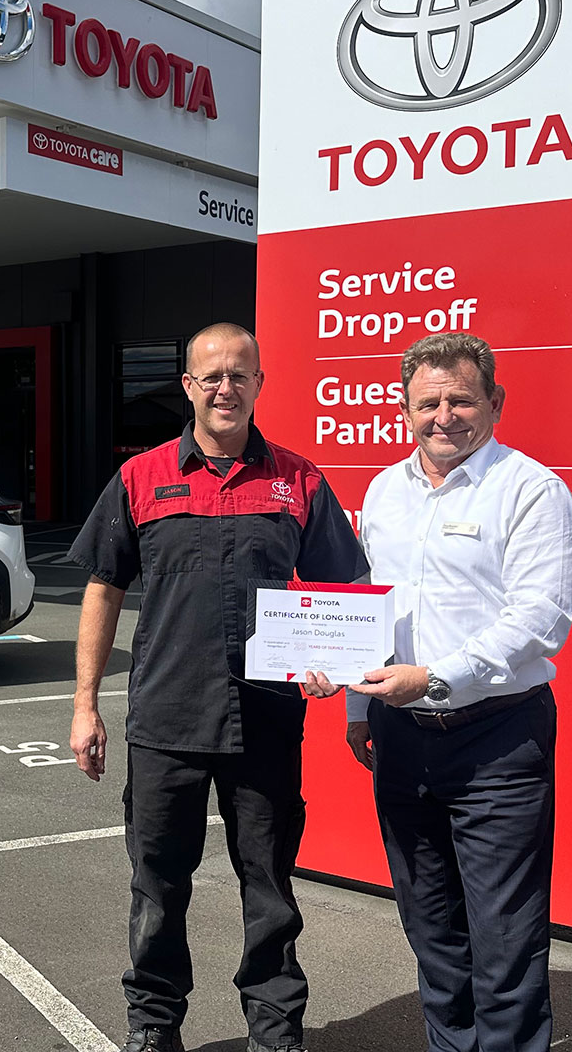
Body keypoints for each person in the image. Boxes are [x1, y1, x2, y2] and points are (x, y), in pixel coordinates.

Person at [69, 323, 368, 1052]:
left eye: (240, 375)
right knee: (157, 886)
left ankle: (275, 1030)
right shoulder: (140, 478)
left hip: (264, 721)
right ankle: (153, 1026)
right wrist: (84, 706)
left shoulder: (299, 480)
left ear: (260, 384)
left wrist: (337, 666)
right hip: (166, 719)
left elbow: (344, 587)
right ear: (189, 387)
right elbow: (103, 588)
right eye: (212, 376)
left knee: (269, 888)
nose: (226, 388)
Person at [345, 332, 572, 1052]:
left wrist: (435, 677)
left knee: (506, 937)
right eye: (428, 403)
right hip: (400, 737)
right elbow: (368, 604)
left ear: (495, 402)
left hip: (497, 740)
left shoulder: (532, 490)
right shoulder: (383, 493)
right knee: (431, 927)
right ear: (404, 408)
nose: (443, 416)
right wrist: (357, 703)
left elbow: (540, 618)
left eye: (461, 400)